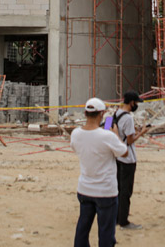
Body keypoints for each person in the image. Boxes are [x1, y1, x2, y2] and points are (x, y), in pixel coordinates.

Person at [71, 97, 128, 247]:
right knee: (106, 233)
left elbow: (81, 145)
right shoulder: (108, 136)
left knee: (82, 228)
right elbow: (124, 152)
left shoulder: (76, 134)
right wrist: (115, 134)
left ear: (85, 113)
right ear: (101, 114)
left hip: (84, 189)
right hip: (105, 191)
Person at [114, 91, 150, 231]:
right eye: (136, 103)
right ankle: (124, 221)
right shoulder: (128, 118)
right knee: (126, 191)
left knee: (118, 189)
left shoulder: (116, 112)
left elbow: (107, 128)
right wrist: (141, 132)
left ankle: (116, 217)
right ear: (131, 103)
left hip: (117, 157)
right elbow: (129, 141)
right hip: (128, 158)